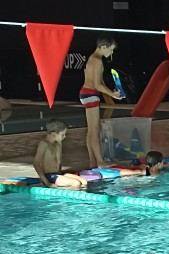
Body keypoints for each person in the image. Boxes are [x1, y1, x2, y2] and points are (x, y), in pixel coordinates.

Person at [81, 35, 123, 168]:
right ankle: (100, 161)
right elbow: (97, 85)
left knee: (91, 130)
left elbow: (100, 82)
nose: (112, 52)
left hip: (87, 93)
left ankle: (92, 161)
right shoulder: (97, 60)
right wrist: (112, 95)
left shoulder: (94, 58)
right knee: (95, 130)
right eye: (111, 49)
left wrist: (112, 92)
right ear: (104, 47)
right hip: (90, 94)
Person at [32, 119, 89, 189]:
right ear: (53, 134)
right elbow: (36, 163)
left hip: (57, 174)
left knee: (84, 182)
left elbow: (59, 161)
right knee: (76, 183)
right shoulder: (44, 144)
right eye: (62, 135)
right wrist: (47, 183)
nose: (65, 136)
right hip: (48, 176)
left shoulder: (58, 143)